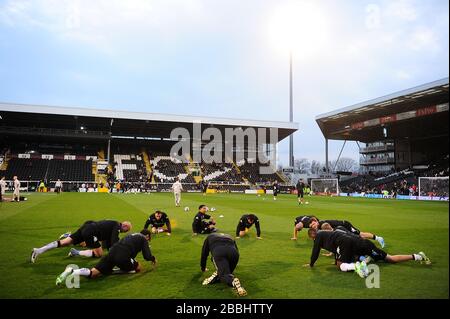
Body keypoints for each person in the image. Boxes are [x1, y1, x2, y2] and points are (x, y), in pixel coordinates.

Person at [305, 228, 431, 278]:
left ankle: (358, 266)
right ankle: (417, 256)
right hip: (361, 242)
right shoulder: (330, 233)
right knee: (389, 258)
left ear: (312, 236)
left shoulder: (318, 237)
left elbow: (315, 252)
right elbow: (338, 247)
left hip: (346, 243)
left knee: (340, 265)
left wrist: (311, 264)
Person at [56, 229, 156, 285]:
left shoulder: (131, 235)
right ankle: (113, 270)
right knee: (139, 267)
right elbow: (147, 256)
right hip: (122, 257)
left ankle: (73, 271)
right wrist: (153, 258)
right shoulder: (143, 239)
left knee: (93, 274)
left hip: (112, 253)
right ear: (147, 236)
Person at [30, 220, 132, 263]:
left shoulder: (113, 223)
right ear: (125, 226)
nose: (123, 232)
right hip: (91, 233)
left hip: (86, 227)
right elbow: (114, 241)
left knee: (65, 242)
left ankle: (39, 250)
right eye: (125, 231)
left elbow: (110, 242)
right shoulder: (117, 226)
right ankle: (76, 252)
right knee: (99, 253)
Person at [310, 219, 385, 248]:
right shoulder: (320, 227)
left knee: (359, 235)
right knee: (356, 237)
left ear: (316, 222)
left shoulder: (322, 224)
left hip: (345, 225)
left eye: (313, 225)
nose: (313, 227)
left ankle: (378, 238)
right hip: (341, 229)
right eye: (312, 226)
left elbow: (331, 234)